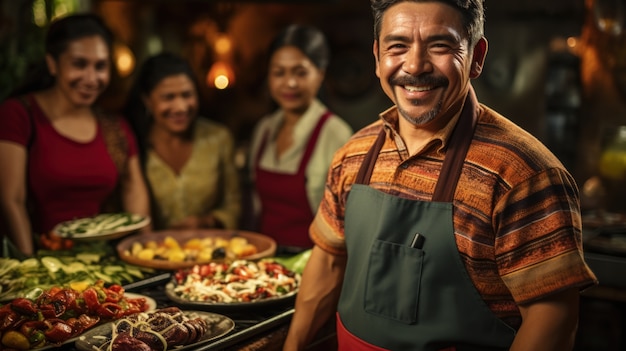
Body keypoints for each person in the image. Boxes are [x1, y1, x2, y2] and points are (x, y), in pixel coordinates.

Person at [283, 1, 598, 350]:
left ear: (477, 56)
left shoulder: (525, 174)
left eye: (440, 45)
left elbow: (552, 320)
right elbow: (327, 262)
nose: (415, 65)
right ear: (377, 56)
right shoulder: (353, 154)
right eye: (397, 45)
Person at [0, 13, 150, 256]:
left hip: (102, 263)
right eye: (79, 64)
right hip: (38, 259)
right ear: (52, 63)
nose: (91, 79)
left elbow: (135, 194)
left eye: (100, 66)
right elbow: (11, 200)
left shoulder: (116, 128)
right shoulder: (18, 115)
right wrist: (28, 266)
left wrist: (146, 253)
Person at [248, 24, 353, 253]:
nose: (289, 83)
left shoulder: (337, 134)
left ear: (321, 74)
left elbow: (347, 224)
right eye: (279, 73)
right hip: (261, 260)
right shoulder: (263, 130)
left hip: (313, 261)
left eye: (300, 72)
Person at [125, 52, 241, 230]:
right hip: (151, 253)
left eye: (187, 95)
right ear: (147, 100)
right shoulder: (133, 142)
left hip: (211, 250)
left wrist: (206, 221)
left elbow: (234, 206)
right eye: (168, 97)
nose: (180, 107)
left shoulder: (218, 138)